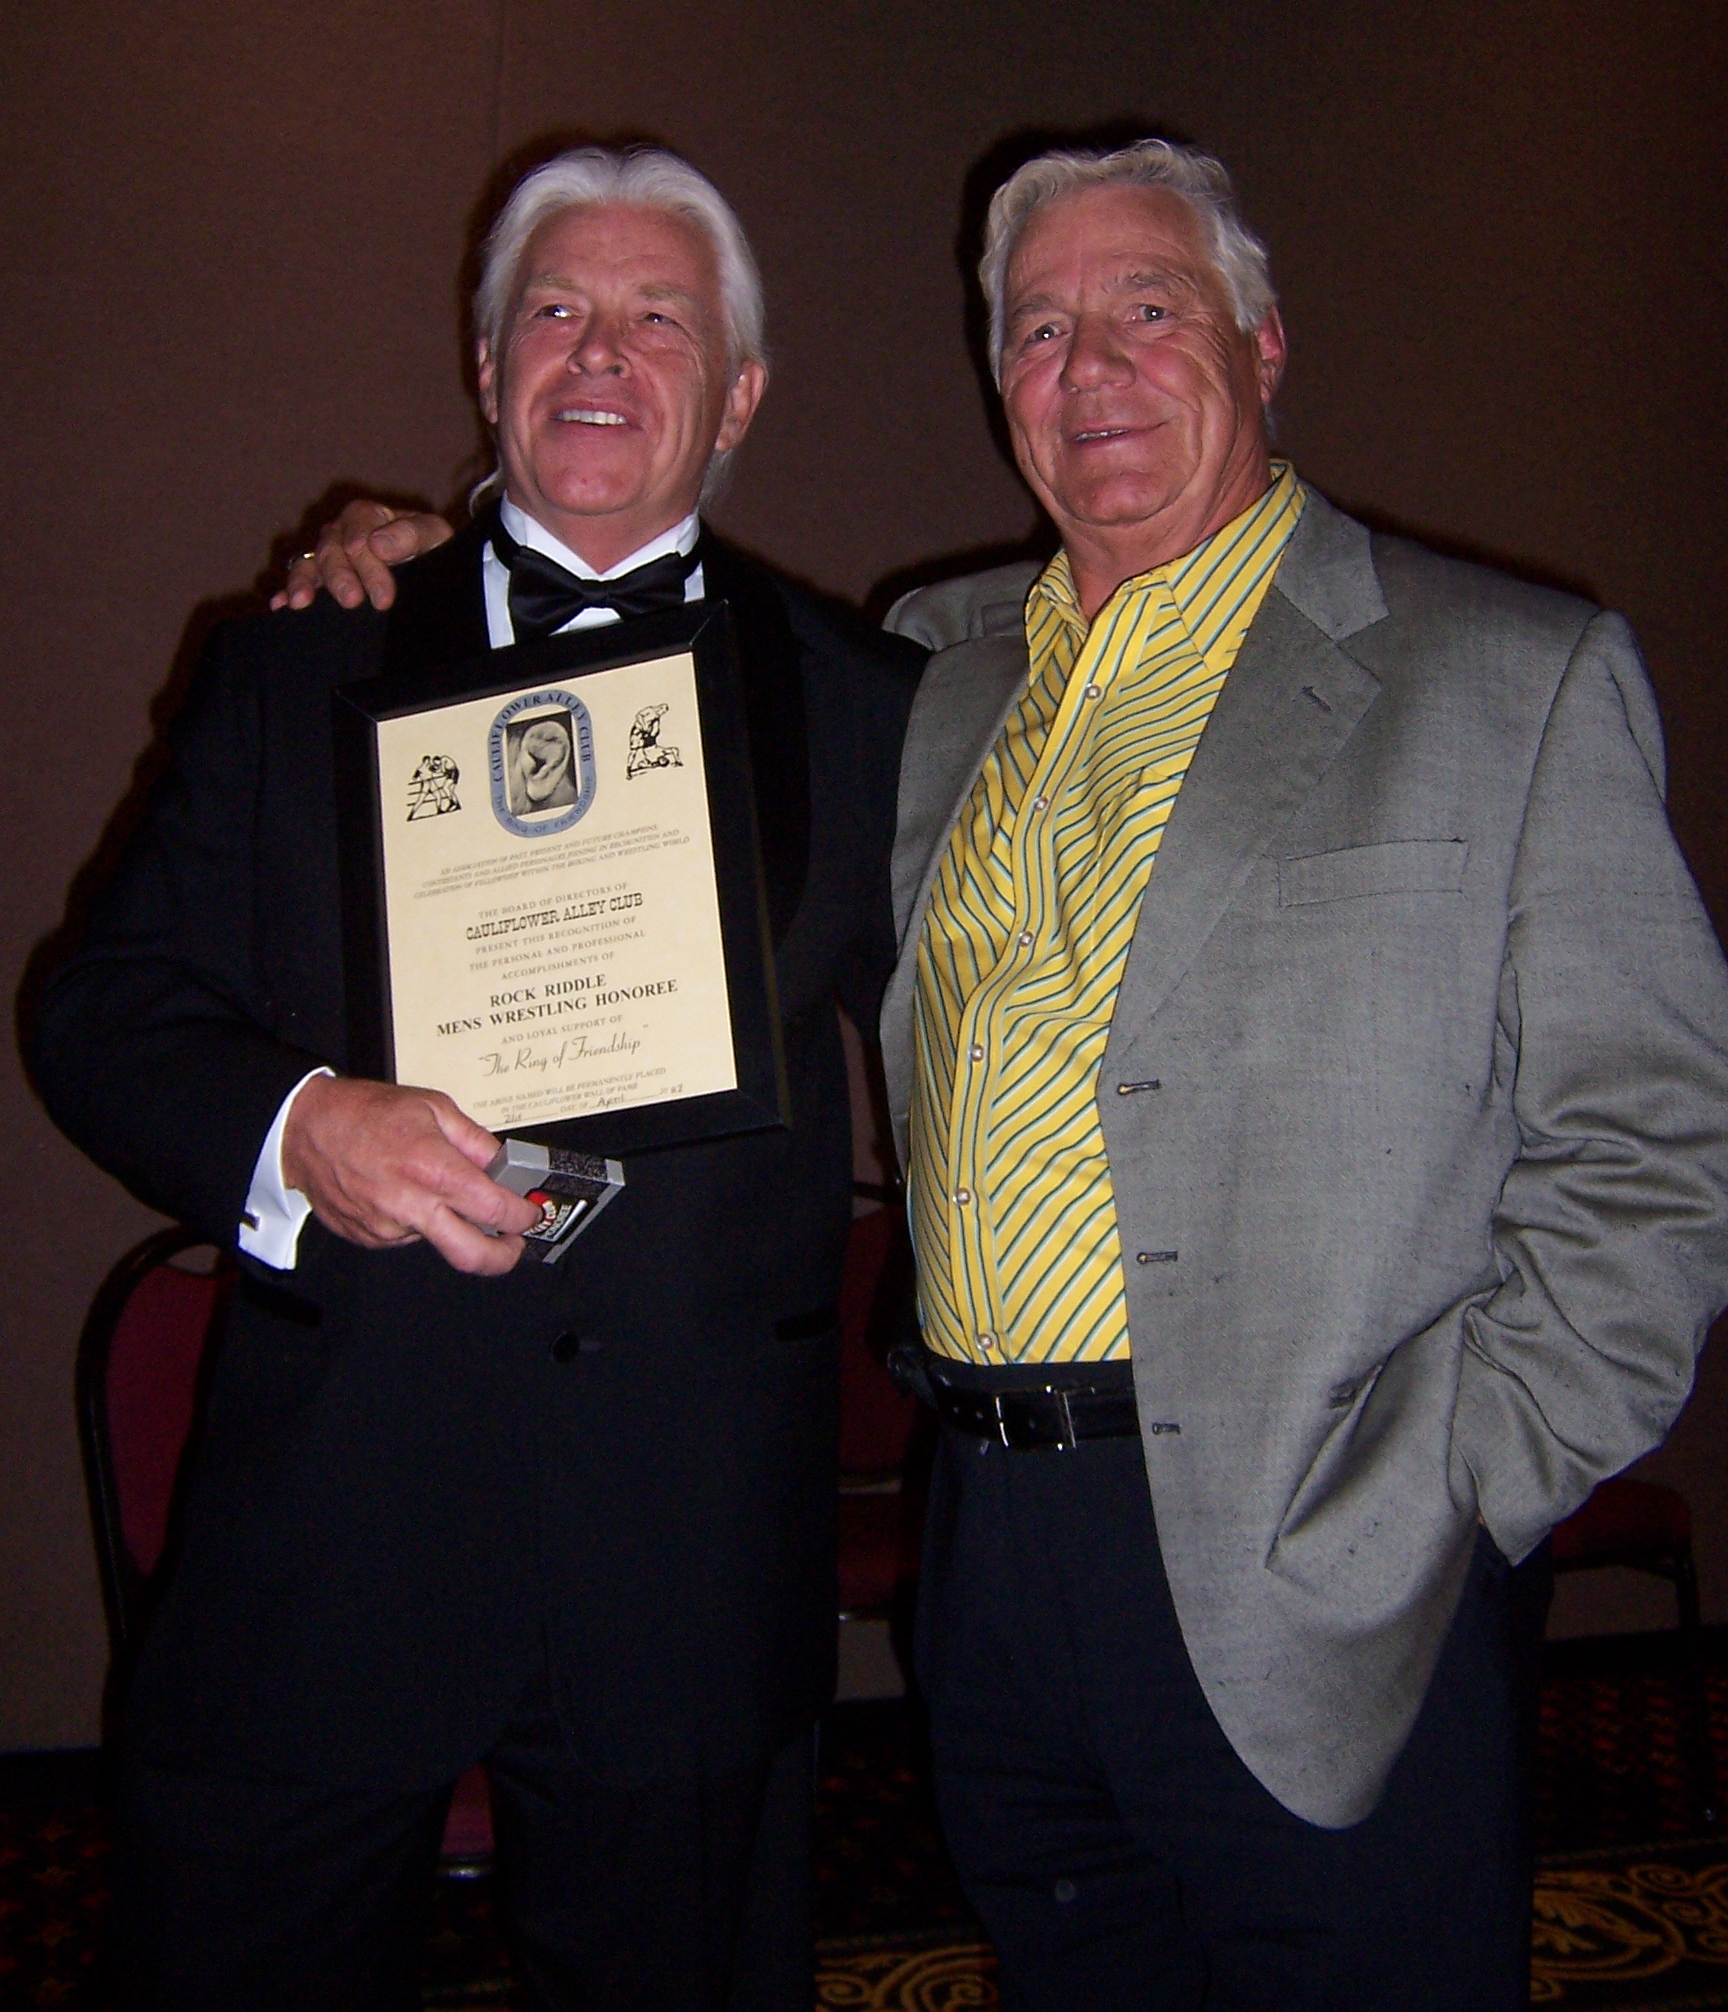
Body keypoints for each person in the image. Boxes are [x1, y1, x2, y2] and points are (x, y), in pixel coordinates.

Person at [300, 133, 1728, 2011]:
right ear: (1003, 392)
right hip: (995, 1552)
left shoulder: (1505, 676)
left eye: (1150, 308)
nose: (1093, 366)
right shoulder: (927, 676)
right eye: (1039, 330)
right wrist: (420, 549)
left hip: (1328, 1548)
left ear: (1263, 341)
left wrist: (1456, 1488)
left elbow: (1656, 1155)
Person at [33, 146, 923, 2012]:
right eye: (556, 309)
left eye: (660, 317)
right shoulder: (305, 655)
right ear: (487, 360)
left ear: (741, 392)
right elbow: (100, 1007)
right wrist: (300, 1125)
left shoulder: (861, 701)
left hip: (683, 1561)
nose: (601, 351)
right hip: (331, 1539)